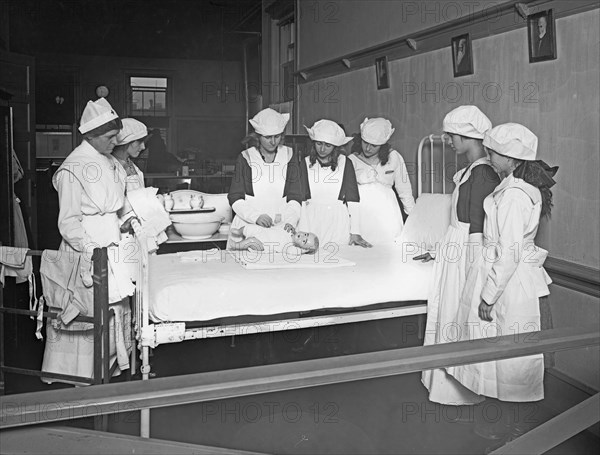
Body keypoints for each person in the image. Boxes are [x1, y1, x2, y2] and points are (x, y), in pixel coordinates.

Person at [447, 123, 557, 446]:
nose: (489, 157)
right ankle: (507, 423)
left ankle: (520, 429)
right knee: (505, 357)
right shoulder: (514, 187)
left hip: (513, 284)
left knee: (517, 360)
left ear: (510, 158)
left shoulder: (514, 196)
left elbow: (508, 253)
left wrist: (488, 295)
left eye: (493, 152)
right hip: (508, 277)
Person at [41, 97, 134, 383]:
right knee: (86, 319)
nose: (114, 141)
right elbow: (68, 222)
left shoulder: (109, 163)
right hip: (87, 251)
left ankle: (105, 374)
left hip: (112, 246)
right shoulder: (74, 168)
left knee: (112, 314)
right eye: (108, 137)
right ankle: (78, 383)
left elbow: (115, 206)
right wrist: (91, 252)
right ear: (90, 135)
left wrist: (124, 223)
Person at [418, 106, 500, 408]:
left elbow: (479, 230)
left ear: (467, 136)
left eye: (451, 135)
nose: (448, 140)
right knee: (446, 312)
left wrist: (469, 270)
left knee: (457, 314)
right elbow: (457, 223)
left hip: (467, 253)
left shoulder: (484, 176)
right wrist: (440, 250)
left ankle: (459, 390)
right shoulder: (469, 172)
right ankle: (441, 384)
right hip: (454, 247)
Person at [227, 108, 303, 248]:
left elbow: (295, 195)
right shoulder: (245, 157)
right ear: (258, 137)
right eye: (267, 137)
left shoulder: (289, 155)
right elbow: (235, 197)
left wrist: (290, 221)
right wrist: (256, 217)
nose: (273, 142)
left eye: (277, 136)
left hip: (282, 226)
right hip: (248, 223)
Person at [298, 119, 371, 248]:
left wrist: (355, 232)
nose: (322, 149)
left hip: (337, 222)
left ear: (335, 147)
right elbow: (302, 200)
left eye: (328, 145)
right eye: (319, 144)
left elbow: (353, 200)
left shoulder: (345, 163)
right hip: (311, 220)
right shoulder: (305, 163)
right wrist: (303, 229)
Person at [347, 117, 415, 244]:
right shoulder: (351, 160)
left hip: (387, 214)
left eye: (374, 146)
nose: (368, 148)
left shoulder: (394, 157)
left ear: (383, 145)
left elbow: (405, 190)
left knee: (388, 249)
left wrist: (414, 219)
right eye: (365, 143)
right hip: (361, 214)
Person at [229, 224, 319, 256]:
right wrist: (287, 225)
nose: (302, 236)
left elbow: (294, 252)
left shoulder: (290, 247)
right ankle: (239, 231)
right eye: (306, 234)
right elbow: (279, 226)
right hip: (263, 232)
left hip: (263, 245)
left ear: (302, 248)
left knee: (251, 241)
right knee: (250, 227)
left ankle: (237, 245)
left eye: (304, 241)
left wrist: (303, 251)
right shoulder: (290, 231)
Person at [112, 118, 148, 191]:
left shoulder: (132, 166)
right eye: (139, 142)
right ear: (126, 141)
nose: (143, 147)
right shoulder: (110, 167)